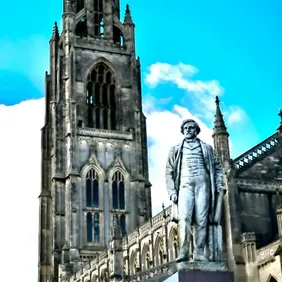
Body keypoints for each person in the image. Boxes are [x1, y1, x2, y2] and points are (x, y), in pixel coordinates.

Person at [165, 119, 224, 262]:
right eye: (185, 128)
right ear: (182, 130)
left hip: (203, 185)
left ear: (197, 130)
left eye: (191, 127)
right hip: (184, 186)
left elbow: (217, 168)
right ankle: (184, 252)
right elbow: (169, 172)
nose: (188, 130)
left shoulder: (207, 148)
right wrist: (172, 191)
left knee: (201, 220)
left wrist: (218, 184)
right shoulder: (175, 149)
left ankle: (198, 252)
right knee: (184, 218)